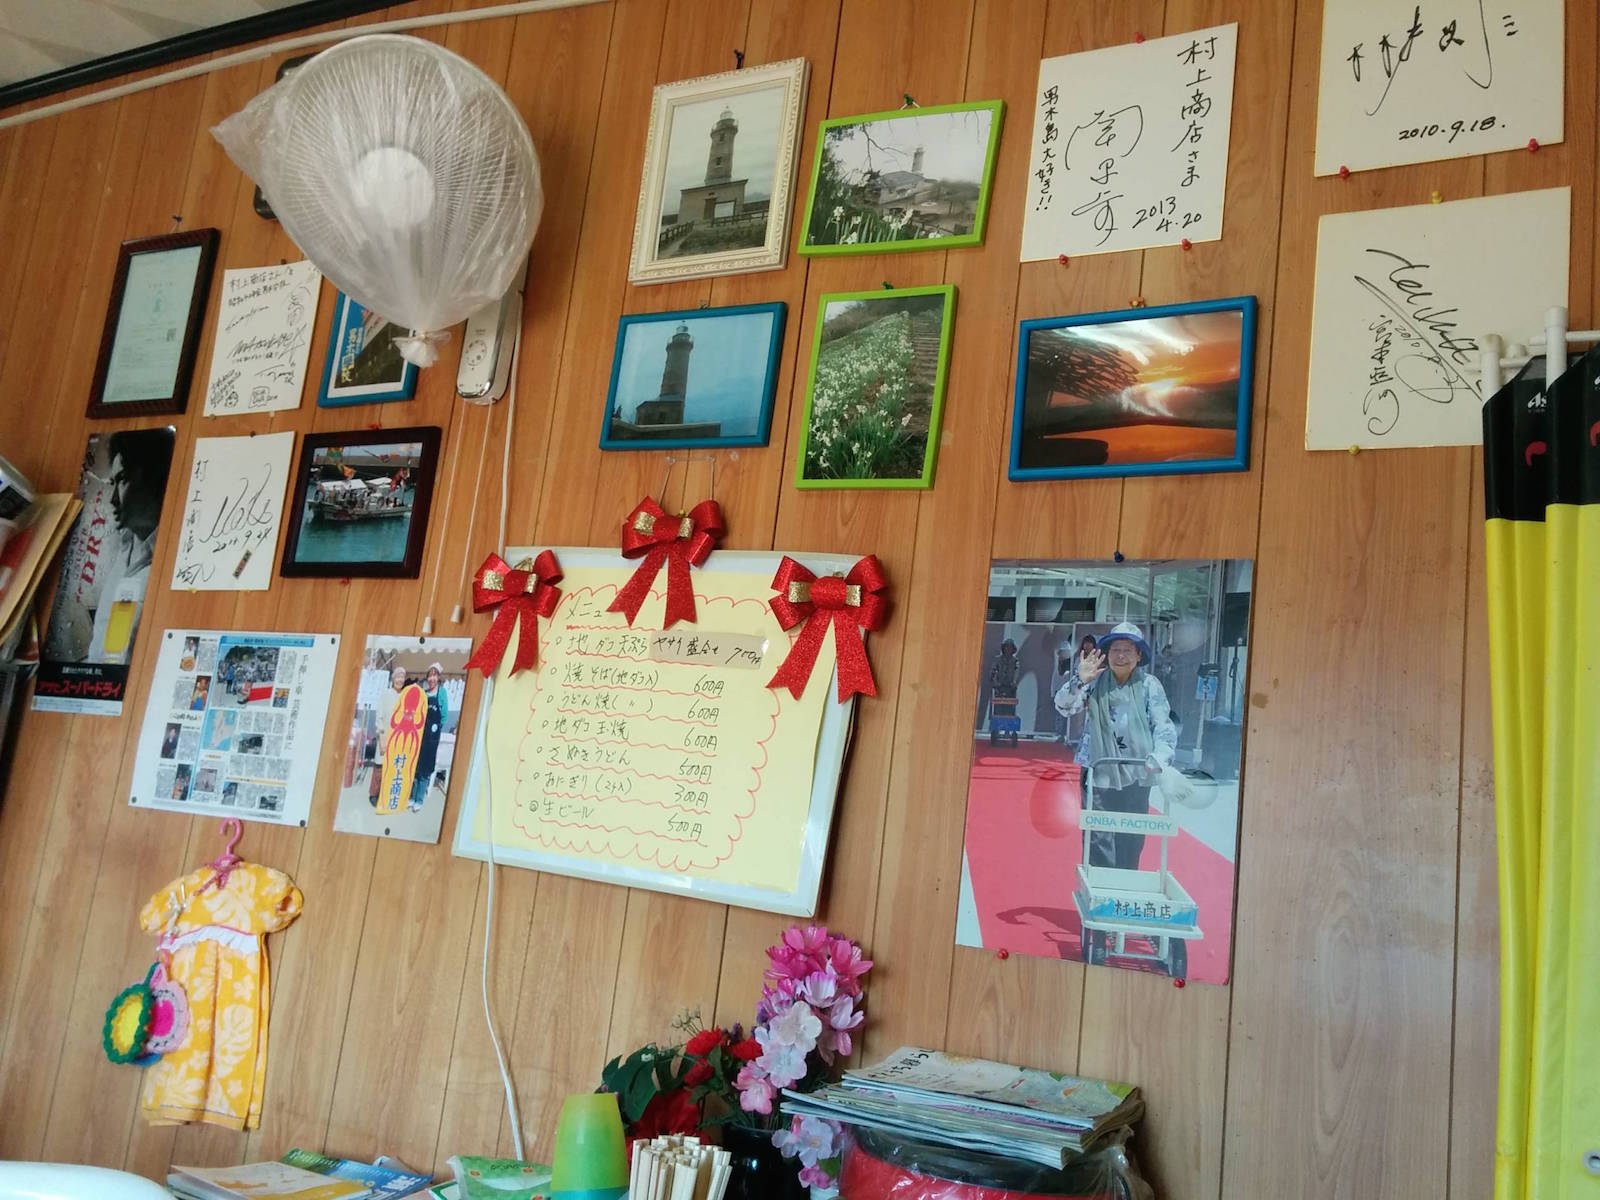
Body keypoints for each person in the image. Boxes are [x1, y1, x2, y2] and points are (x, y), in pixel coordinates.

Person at [1053, 622, 1177, 870]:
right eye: (1115, 650)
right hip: (1098, 769)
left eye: (1128, 650)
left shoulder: (1150, 685)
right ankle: (1100, 887)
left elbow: (1163, 726)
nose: (1121, 656)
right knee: (1097, 835)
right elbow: (1063, 707)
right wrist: (1079, 681)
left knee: (1131, 836)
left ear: (1139, 655)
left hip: (1138, 771)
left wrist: (1159, 758)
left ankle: (1125, 884)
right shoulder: (1094, 682)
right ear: (1107, 654)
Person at [410, 662, 450, 812]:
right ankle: (412, 797)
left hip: (431, 739)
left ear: (438, 677)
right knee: (416, 768)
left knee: (425, 770)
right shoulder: (424, 693)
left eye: (434, 675)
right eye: (430, 676)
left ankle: (419, 800)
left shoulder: (442, 693)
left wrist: (435, 731)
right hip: (420, 736)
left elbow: (444, 715)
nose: (432, 678)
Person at [370, 665, 409, 807]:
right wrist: (381, 738)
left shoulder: (404, 696)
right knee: (379, 766)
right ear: (393, 679)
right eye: (398, 676)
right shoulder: (385, 694)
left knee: (392, 768)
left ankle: (385, 794)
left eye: (402, 677)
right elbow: (379, 717)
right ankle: (374, 794)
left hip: (398, 739)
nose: (400, 680)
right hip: (384, 736)